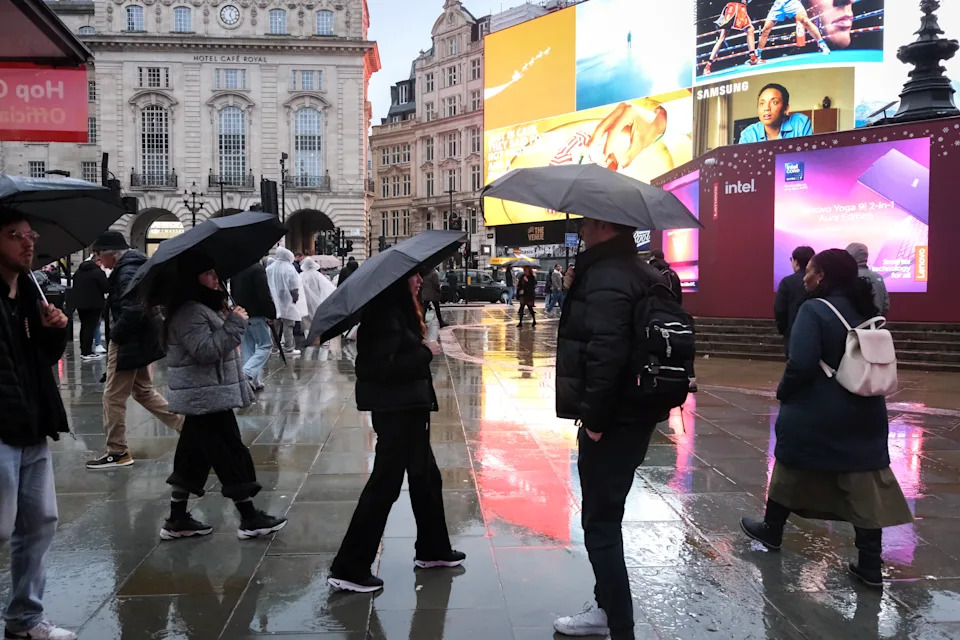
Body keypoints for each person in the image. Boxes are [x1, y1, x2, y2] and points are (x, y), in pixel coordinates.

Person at [740, 249, 912, 589]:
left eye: (811, 271)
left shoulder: (813, 309)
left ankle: (771, 531)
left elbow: (801, 363)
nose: (804, 276)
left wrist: (783, 392)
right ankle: (869, 566)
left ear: (821, 276)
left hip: (818, 408)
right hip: (865, 408)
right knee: (864, 484)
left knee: (791, 468)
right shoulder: (868, 309)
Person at [553, 218, 667, 640]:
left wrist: (596, 420)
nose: (581, 228)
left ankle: (618, 624)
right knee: (608, 513)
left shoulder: (605, 276)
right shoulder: (644, 271)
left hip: (613, 418)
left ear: (603, 224)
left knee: (600, 522)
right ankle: (606, 607)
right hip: (639, 412)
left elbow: (606, 352)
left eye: (586, 222)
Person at [327, 270, 465, 593]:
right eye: (414, 277)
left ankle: (433, 550)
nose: (420, 282)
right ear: (397, 281)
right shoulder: (387, 314)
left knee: (426, 477)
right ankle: (349, 567)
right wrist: (425, 352)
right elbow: (377, 368)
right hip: (396, 412)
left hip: (409, 409)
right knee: (385, 485)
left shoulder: (399, 310)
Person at [160, 251, 287, 541]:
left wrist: (228, 319)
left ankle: (177, 518)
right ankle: (249, 517)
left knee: (192, 458)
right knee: (230, 454)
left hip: (206, 395)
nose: (215, 278)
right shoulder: (190, 311)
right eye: (208, 273)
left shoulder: (201, 307)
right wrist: (235, 324)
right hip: (206, 396)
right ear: (193, 279)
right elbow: (205, 350)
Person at [0, 209, 77, 640]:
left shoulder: (30, 291)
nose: (28, 244)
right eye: (15, 236)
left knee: (41, 523)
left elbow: (41, 360)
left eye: (30, 235)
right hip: (3, 427)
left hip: (32, 424)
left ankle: (25, 620)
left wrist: (53, 332)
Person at [87, 232, 183, 471]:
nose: (98, 260)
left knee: (113, 396)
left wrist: (116, 336)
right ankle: (190, 429)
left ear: (111, 253)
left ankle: (117, 451)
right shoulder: (134, 264)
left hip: (128, 342)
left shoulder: (127, 270)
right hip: (141, 340)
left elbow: (134, 309)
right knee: (143, 391)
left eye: (99, 255)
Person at [231, 258, 276, 391]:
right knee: (265, 345)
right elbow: (264, 294)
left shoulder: (237, 269)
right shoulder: (257, 269)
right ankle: (247, 373)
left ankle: (254, 381)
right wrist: (271, 313)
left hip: (243, 313)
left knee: (248, 348)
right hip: (257, 313)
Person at [774, 245, 816, 355]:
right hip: (815, 332)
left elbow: (780, 310)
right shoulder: (819, 281)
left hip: (793, 332)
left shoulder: (787, 282)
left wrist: (785, 331)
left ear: (796, 262)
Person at [757, 0, 830, 62]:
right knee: (765, 29)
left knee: (805, 21)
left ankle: (823, 46)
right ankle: (757, 55)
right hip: (778, 4)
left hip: (792, 2)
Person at [739, 83, 812, 144]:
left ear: (786, 108)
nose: (767, 108)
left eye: (774, 102)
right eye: (762, 103)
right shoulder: (749, 134)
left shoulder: (800, 123)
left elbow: (808, 157)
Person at [68, 255, 109, 361]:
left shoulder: (78, 272)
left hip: (80, 304)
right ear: (97, 262)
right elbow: (106, 287)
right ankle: (87, 352)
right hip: (94, 304)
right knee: (90, 327)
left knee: (84, 326)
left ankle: (84, 350)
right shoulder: (98, 272)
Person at [703, 1, 758, 76]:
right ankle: (707, 66)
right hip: (736, 7)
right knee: (723, 37)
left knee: (750, 29)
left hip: (736, 7)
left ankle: (708, 66)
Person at [266, 247, 301, 357]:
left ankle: (275, 347)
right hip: (287, 301)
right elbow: (294, 287)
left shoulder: (270, 268)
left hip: (273, 300)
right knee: (288, 324)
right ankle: (289, 347)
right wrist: (295, 299)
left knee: (275, 325)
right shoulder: (290, 269)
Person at [846, 242, 889, 316]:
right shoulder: (878, 277)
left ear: (850, 256)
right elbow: (886, 306)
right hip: (876, 323)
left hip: (855, 324)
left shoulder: (848, 277)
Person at [300, 257, 336, 326]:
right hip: (316, 298)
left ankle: (307, 333)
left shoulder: (301, 275)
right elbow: (326, 286)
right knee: (315, 316)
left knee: (306, 319)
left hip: (304, 300)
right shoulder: (317, 275)